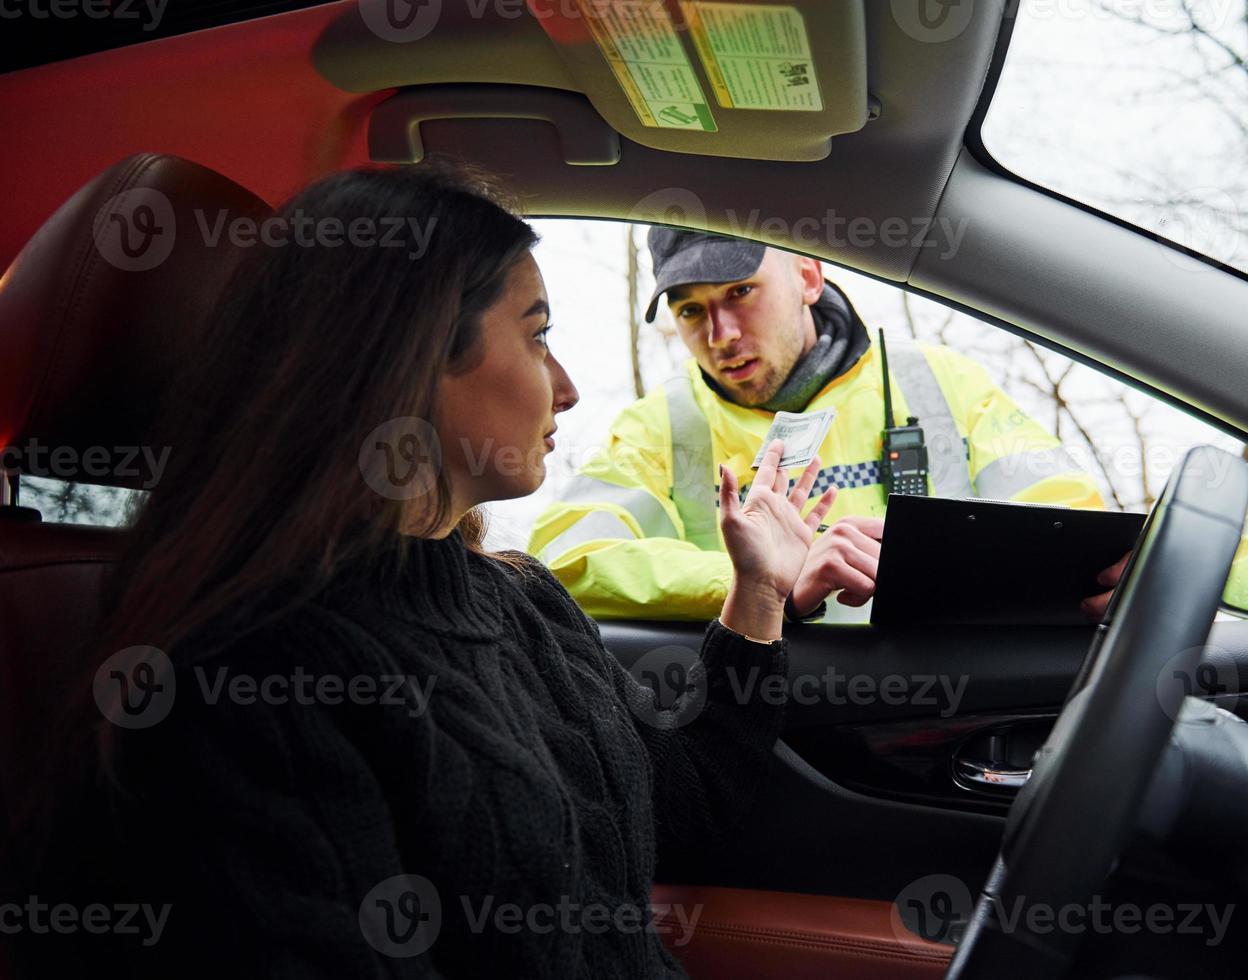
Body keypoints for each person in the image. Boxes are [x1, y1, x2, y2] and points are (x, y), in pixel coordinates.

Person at [17, 163, 836, 978]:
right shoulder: (254, 682)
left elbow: (683, 809)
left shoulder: (519, 603)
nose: (568, 388)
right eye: (536, 334)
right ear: (404, 354)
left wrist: (757, 592)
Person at [529, 230, 1106, 621]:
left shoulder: (939, 382)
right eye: (690, 309)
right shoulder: (658, 425)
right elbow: (567, 561)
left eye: (740, 292)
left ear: (808, 277)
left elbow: (1071, 527)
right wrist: (763, 581)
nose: (721, 332)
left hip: (941, 695)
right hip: (766, 706)